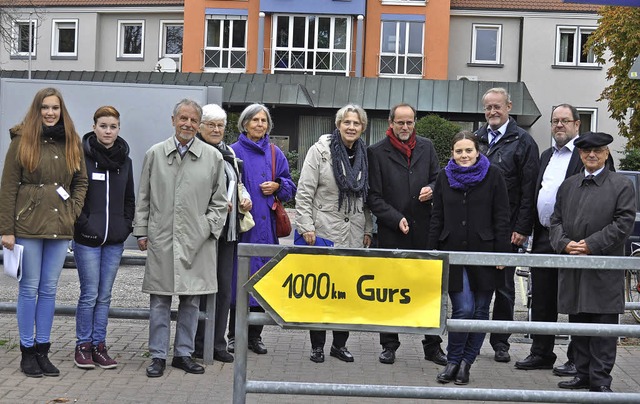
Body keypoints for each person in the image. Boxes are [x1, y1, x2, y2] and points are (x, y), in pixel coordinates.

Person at [133, 99, 228, 377]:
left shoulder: (213, 158)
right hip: (162, 237)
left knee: (191, 300)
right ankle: (158, 355)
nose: (187, 124)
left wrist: (207, 228)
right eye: (183, 118)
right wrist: (142, 230)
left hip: (197, 241)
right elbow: (144, 196)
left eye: (193, 120)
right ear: (173, 119)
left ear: (199, 125)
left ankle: (183, 353)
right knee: (160, 300)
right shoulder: (155, 154)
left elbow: (220, 202)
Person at [0, 87, 88, 377]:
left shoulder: (72, 142)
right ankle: (27, 351)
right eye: (45, 107)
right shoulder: (22, 140)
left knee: (49, 290)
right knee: (29, 289)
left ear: (62, 111)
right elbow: (9, 186)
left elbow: (81, 182)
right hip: (26, 227)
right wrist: (6, 230)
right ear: (37, 110)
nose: (50, 113)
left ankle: (42, 350)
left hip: (59, 227)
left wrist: (72, 211)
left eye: (55, 108)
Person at [550, 131, 635, 393]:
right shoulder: (569, 185)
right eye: (586, 151)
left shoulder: (620, 185)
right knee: (579, 325)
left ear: (606, 153)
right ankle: (582, 374)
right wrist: (563, 243)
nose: (592, 155)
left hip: (603, 269)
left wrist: (591, 245)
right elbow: (555, 221)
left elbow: (623, 224)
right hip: (575, 268)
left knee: (603, 327)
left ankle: (600, 381)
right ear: (580, 154)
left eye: (597, 151)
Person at [428, 131, 511, 385]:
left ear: (478, 152)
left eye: (468, 151)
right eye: (459, 151)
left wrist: (502, 253)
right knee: (463, 308)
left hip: (486, 252)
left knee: (480, 310)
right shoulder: (444, 176)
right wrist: (432, 252)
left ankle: (466, 363)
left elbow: (502, 216)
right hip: (452, 251)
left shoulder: (493, 175)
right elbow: (437, 216)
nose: (464, 155)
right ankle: (453, 361)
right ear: (452, 154)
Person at [367, 103, 446, 366]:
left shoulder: (427, 146)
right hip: (392, 232)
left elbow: (439, 179)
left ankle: (432, 346)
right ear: (390, 122)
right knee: (389, 291)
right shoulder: (376, 152)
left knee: (427, 290)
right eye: (400, 122)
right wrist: (394, 217)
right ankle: (389, 345)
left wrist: (432, 189)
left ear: (415, 123)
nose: (405, 127)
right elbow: (373, 197)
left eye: (409, 122)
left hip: (424, 231)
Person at [295, 104, 373, 363]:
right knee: (322, 290)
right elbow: (305, 191)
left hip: (354, 231)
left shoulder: (365, 154)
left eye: (356, 123)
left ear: (363, 128)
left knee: (348, 292)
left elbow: (367, 197)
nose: (351, 127)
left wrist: (369, 229)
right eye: (347, 122)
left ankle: (339, 345)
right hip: (324, 229)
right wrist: (306, 226)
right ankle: (317, 345)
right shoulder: (320, 152)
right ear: (338, 125)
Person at [476, 87, 540, 363]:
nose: (492, 112)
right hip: (477, 228)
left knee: (503, 288)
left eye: (497, 106)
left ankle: (500, 342)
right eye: (488, 107)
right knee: (477, 285)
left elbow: (530, 190)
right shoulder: (476, 139)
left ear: (508, 107)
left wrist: (523, 228)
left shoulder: (524, 142)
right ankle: (472, 336)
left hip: (508, 229)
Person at [228, 103, 296, 355]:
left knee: (262, 282)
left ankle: (255, 336)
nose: (259, 124)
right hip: (243, 227)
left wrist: (277, 186)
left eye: (263, 120)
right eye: (254, 120)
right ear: (244, 124)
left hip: (266, 230)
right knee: (239, 282)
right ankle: (234, 335)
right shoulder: (232, 151)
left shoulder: (275, 152)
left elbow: (290, 186)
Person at [73, 106, 135, 370]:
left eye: (113, 126)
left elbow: (129, 199)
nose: (108, 131)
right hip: (87, 239)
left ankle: (99, 345)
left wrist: (125, 227)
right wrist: (83, 224)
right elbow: (72, 196)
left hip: (114, 241)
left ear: (118, 128)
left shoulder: (125, 161)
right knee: (89, 293)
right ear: (94, 126)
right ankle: (83, 345)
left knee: (105, 295)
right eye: (103, 126)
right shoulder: (79, 157)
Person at [193, 104, 252, 363]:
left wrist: (244, 199)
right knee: (200, 291)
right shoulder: (194, 152)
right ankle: (195, 345)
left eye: (220, 125)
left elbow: (237, 184)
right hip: (203, 233)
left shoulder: (228, 152)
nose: (216, 129)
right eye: (211, 125)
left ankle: (218, 344)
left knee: (224, 289)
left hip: (228, 232)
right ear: (200, 127)